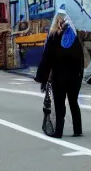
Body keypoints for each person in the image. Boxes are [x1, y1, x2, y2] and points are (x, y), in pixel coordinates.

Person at [35, 7, 84, 139]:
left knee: (59, 104)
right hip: (74, 78)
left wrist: (43, 79)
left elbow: (47, 60)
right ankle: (77, 129)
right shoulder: (74, 39)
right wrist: (80, 75)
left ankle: (58, 131)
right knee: (73, 102)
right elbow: (81, 59)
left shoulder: (52, 38)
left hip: (59, 77)